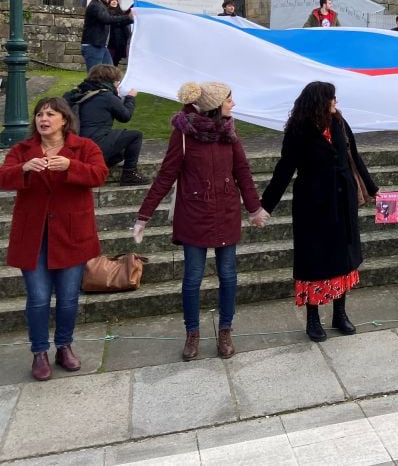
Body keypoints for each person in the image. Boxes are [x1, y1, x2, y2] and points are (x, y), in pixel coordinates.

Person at [133, 82, 267, 361]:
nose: (234, 104)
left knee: (228, 275)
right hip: (194, 215)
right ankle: (192, 333)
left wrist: (254, 209)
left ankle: (226, 331)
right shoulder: (183, 135)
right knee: (192, 278)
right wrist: (143, 216)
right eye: (229, 99)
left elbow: (242, 171)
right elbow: (166, 176)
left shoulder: (230, 131)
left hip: (226, 213)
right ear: (216, 105)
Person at [261, 82, 378, 342]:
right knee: (313, 260)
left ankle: (340, 313)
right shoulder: (298, 129)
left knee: (343, 258)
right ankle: (313, 318)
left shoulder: (339, 122)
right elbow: (284, 168)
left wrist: (372, 188)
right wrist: (265, 205)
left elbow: (354, 157)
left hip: (342, 200)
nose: (335, 101)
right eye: (331, 97)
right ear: (318, 100)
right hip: (312, 203)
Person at [1, 97, 107, 381]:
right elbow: (2, 177)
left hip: (71, 235)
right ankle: (39, 352)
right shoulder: (22, 150)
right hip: (33, 236)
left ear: (64, 119)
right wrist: (23, 169)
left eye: (50, 114)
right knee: (37, 298)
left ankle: (64, 346)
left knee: (69, 298)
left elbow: (100, 174)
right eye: (39, 114)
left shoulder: (84, 148)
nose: (43, 118)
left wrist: (71, 167)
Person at [62, 64, 148, 185]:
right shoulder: (106, 96)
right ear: (112, 81)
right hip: (95, 143)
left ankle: (96, 165)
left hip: (75, 144)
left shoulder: (79, 92)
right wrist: (130, 98)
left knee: (124, 149)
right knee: (135, 136)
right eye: (117, 81)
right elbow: (125, 116)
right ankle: (130, 174)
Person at [81, 0, 133, 71]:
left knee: (110, 73)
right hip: (93, 46)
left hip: (101, 46)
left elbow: (114, 20)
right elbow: (107, 19)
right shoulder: (95, 6)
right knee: (95, 75)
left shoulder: (101, 5)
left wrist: (130, 19)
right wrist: (128, 17)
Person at [107, 0, 132, 65]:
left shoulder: (121, 13)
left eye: (116, 0)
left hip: (120, 42)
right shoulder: (106, 12)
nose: (114, 2)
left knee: (116, 62)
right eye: (112, 0)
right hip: (111, 41)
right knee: (110, 61)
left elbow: (128, 21)